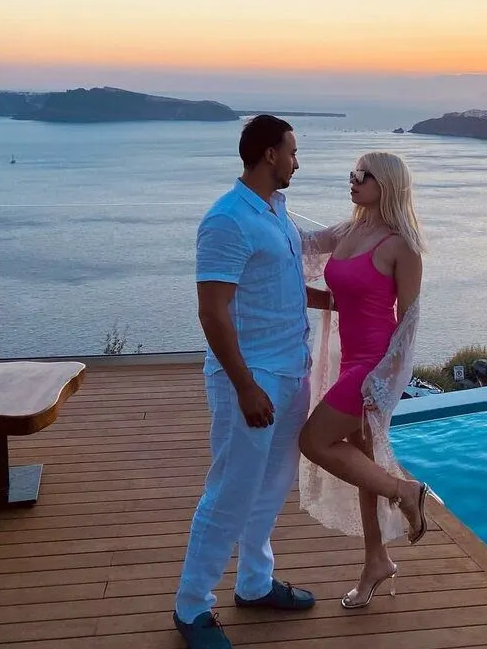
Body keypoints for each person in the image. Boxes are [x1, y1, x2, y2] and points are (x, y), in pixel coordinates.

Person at [173, 115, 332, 649]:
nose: (296, 161)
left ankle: (255, 583)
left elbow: (280, 283)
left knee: (271, 485)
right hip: (252, 376)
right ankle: (192, 606)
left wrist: (333, 301)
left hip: (291, 370)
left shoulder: (275, 211)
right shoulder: (227, 220)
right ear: (269, 154)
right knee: (231, 491)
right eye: (292, 151)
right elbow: (212, 311)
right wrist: (244, 386)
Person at [297, 151, 429, 610]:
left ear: (386, 184)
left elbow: (408, 323)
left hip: (372, 368)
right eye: (352, 173)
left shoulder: (401, 246)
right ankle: (376, 560)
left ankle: (404, 491)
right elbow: (298, 243)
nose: (352, 180)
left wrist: (385, 381)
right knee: (363, 465)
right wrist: (264, 203)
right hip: (350, 360)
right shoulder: (346, 230)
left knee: (314, 440)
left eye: (362, 175)